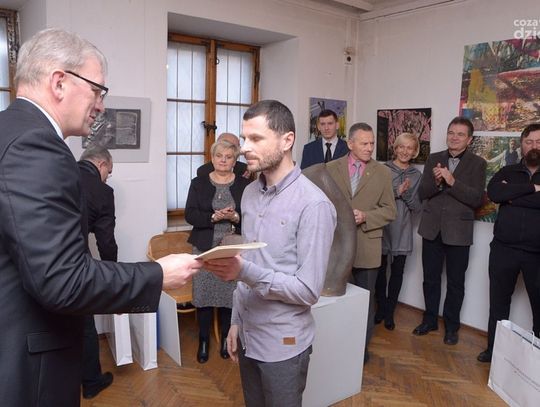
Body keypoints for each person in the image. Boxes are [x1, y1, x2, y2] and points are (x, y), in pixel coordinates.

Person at [0, 28, 202, 407]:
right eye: (97, 90)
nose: (101, 105)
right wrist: (157, 275)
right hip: (29, 363)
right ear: (59, 82)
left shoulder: (8, 129)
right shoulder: (37, 145)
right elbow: (62, 280)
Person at [204, 100, 336, 406]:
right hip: (248, 334)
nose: (244, 148)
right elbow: (250, 261)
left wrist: (244, 271)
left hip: (283, 345)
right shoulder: (250, 193)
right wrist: (236, 321)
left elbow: (308, 291)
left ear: (287, 140)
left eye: (256, 138)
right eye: (244, 138)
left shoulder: (314, 205)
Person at [413, 117, 486, 346]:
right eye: (451, 132)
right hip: (431, 229)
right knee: (430, 280)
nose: (454, 137)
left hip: (458, 232)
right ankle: (430, 320)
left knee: (455, 283)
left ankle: (452, 327)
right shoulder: (433, 158)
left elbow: (476, 199)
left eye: (460, 134)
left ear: (469, 139)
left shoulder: (478, 164)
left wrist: (452, 181)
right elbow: (422, 193)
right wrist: (436, 182)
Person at [326, 122, 396, 361]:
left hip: (367, 247)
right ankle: (336, 347)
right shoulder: (330, 168)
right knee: (336, 301)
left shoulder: (383, 173)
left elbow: (390, 210)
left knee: (365, 303)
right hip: (336, 248)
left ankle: (359, 351)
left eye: (372, 143)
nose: (369, 148)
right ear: (350, 144)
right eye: (364, 143)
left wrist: (366, 216)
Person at [477, 123, 540, 363]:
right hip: (504, 249)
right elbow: (494, 194)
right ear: (522, 144)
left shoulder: (510, 182)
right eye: (529, 141)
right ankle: (493, 351)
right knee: (498, 305)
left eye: (539, 142)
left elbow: (505, 196)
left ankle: (536, 360)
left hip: (537, 254)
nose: (533, 146)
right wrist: (533, 188)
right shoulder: (507, 170)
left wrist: (513, 196)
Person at [185, 139, 251, 363]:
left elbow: (252, 216)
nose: (223, 160)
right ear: (212, 158)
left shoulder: (244, 185)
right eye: (219, 156)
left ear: (235, 161)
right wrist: (213, 217)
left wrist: (235, 217)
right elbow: (190, 214)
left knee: (229, 296)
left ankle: (226, 339)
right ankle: (203, 340)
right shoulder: (198, 183)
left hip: (231, 248)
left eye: (228, 157)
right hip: (204, 246)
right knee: (203, 295)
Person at [78, 146, 117, 398]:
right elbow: (106, 241)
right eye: (109, 172)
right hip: (75, 262)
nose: (107, 178)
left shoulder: (60, 172)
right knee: (85, 325)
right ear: (101, 165)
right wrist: (113, 275)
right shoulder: (102, 191)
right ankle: (91, 382)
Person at [374, 133, 422, 331]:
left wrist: (407, 194)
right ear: (395, 148)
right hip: (383, 226)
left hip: (403, 228)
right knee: (379, 271)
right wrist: (396, 192)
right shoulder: (382, 170)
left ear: (415, 151)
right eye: (401, 146)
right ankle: (381, 308)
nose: (405, 151)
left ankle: (390, 312)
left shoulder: (416, 175)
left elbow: (417, 207)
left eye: (409, 148)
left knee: (397, 272)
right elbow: (375, 200)